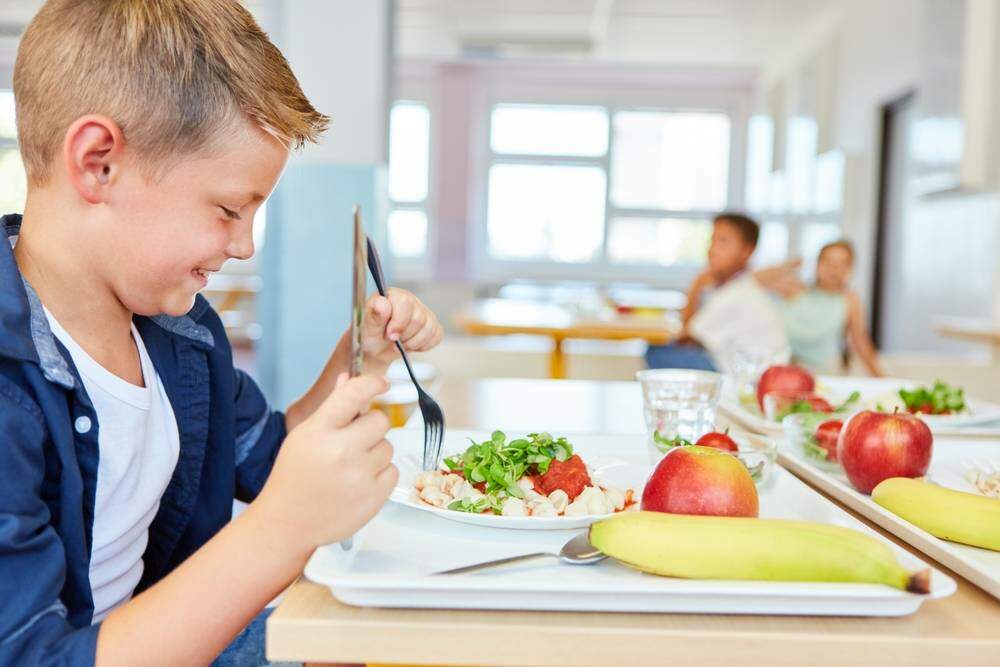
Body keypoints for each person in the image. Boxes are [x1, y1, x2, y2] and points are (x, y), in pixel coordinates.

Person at [0, 2, 444, 665]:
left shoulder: (182, 332)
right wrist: (281, 530)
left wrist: (363, 358)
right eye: (229, 209)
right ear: (97, 164)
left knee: (390, 639)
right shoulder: (11, 393)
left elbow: (273, 460)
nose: (242, 245)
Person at [646, 213, 795, 371]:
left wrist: (696, 285)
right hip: (751, 367)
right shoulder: (740, 286)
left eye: (723, 241)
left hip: (749, 375)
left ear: (747, 250)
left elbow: (686, 337)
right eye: (712, 240)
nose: (712, 250)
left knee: (657, 352)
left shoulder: (735, 293)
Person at [780, 240, 884, 376]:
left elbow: (860, 342)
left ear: (850, 269)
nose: (833, 269)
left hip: (825, 374)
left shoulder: (851, 300)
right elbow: (751, 283)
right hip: (784, 368)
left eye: (842, 264)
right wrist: (786, 267)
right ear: (817, 265)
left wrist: (881, 377)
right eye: (828, 262)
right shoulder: (794, 290)